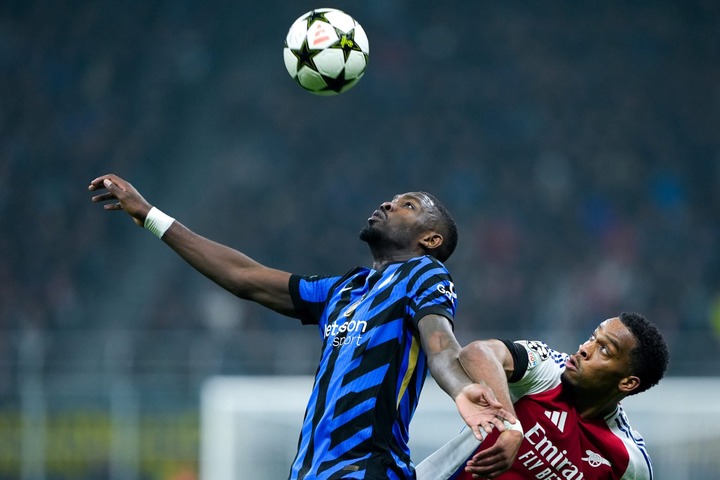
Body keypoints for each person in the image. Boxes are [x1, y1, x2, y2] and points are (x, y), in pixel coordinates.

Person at [88, 174, 517, 480]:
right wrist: (151, 216)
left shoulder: (424, 274)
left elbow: (440, 343)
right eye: (392, 199)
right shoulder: (344, 291)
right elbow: (246, 278)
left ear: (431, 240)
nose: (388, 204)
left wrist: (461, 390)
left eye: (408, 205)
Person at [416, 312, 669, 480]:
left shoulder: (629, 462)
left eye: (603, 349)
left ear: (628, 382)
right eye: (592, 337)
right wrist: (511, 428)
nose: (584, 349)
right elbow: (477, 352)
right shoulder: (548, 370)